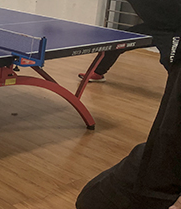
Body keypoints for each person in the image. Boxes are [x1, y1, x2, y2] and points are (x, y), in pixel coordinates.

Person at [76, 52, 181, 209]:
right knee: (90, 199)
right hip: (160, 155)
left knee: (91, 201)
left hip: (165, 172)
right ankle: (98, 71)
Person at [58, 0, 181, 82]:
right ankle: (97, 73)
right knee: (116, 45)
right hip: (151, 28)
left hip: (175, 29)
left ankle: (175, 89)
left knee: (169, 60)